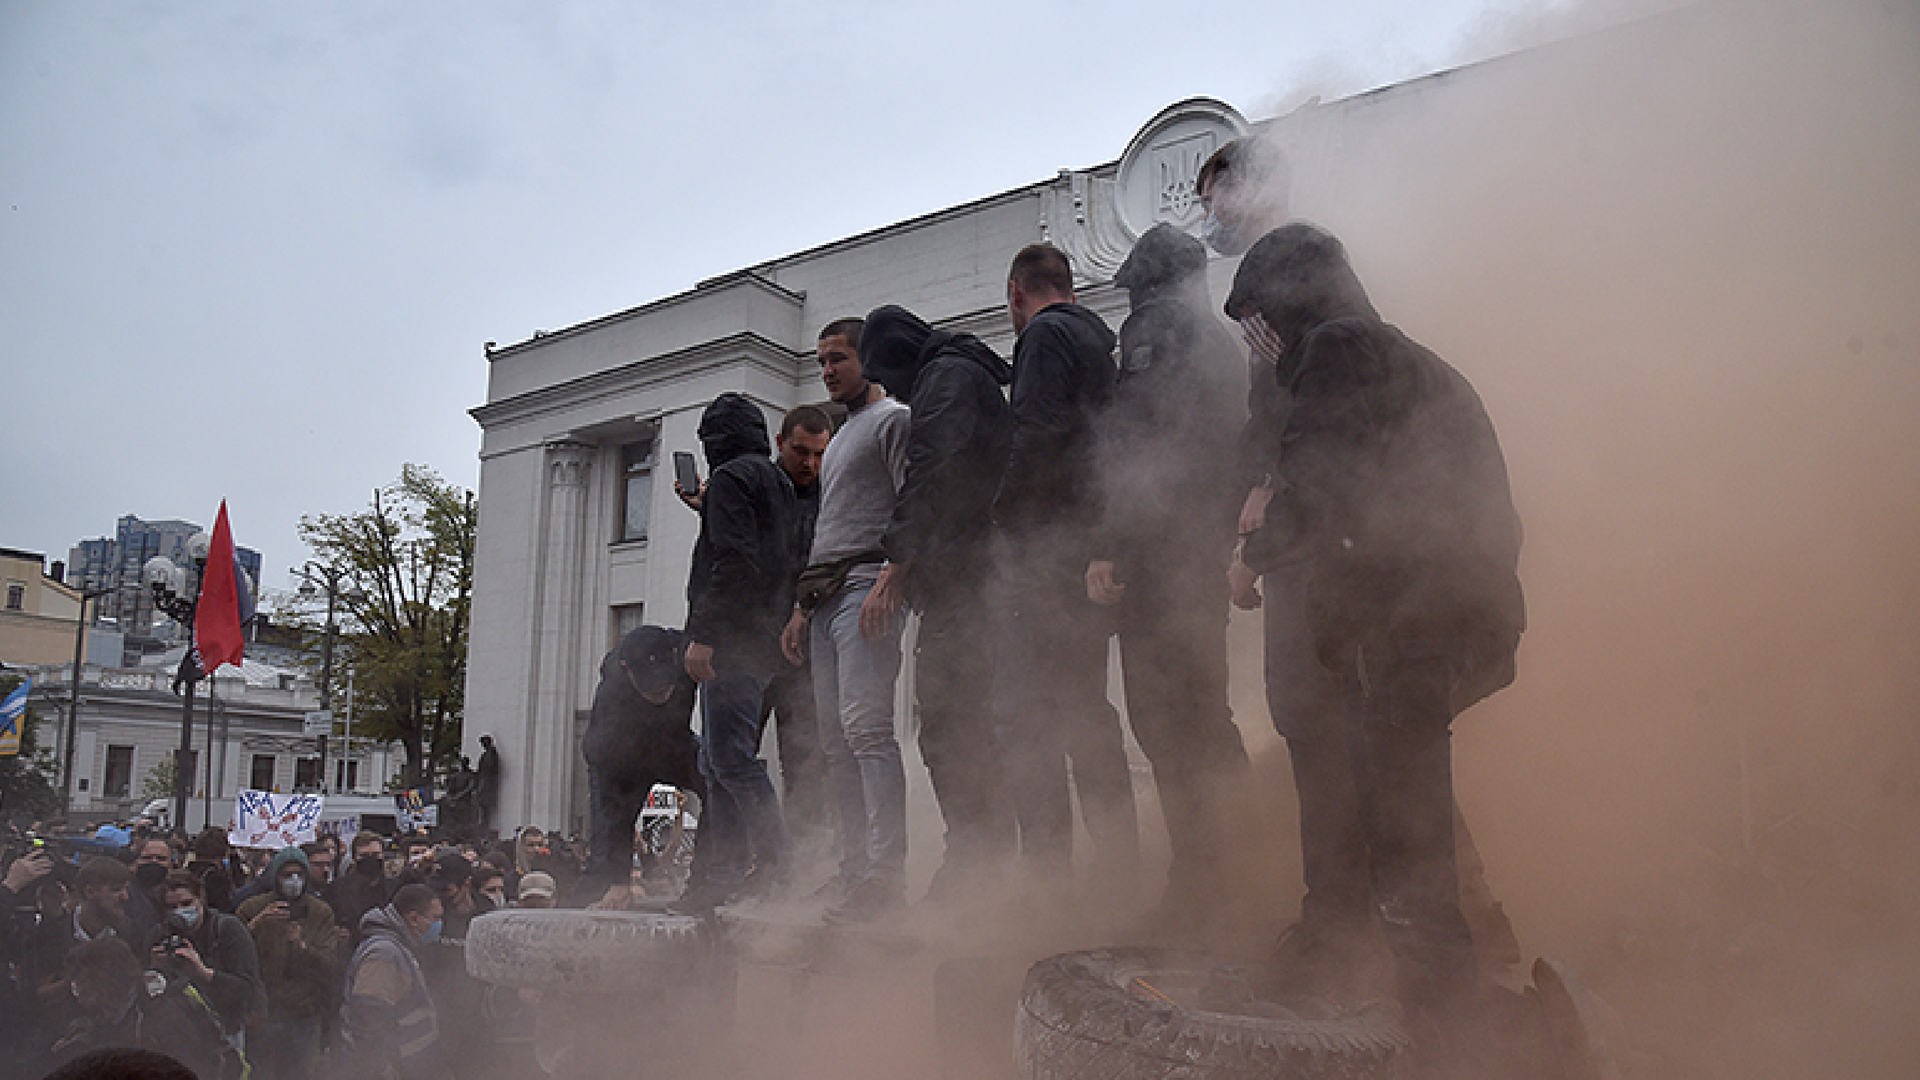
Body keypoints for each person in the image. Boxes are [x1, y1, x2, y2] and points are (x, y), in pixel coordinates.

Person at [1198, 137, 1523, 973]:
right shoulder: (1375, 339)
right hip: (1411, 593)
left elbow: (1318, 466)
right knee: (1381, 753)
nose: (1257, 341)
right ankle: (1442, 946)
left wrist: (1256, 545)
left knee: (1368, 755)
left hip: (1377, 587)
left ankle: (1416, 972)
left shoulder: (1333, 342)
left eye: (1214, 198)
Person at [1086, 223, 1253, 924]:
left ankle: (1201, 881)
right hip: (1202, 551)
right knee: (1205, 712)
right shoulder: (1223, 342)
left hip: (1158, 553)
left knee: (1162, 718)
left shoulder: (1154, 328)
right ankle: (1244, 862)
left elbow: (1136, 440)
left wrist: (1108, 543)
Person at [990, 243, 1138, 880]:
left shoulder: (1044, 336)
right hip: (1083, 550)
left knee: (1028, 715)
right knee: (1083, 709)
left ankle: (1048, 875)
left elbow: (1037, 435)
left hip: (1047, 552)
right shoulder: (1096, 342)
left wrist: (1003, 518)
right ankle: (1119, 865)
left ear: (1015, 293)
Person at [857, 304, 1014, 900]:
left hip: (966, 578)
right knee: (958, 722)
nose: (892, 391)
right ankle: (980, 856)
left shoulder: (945, 378)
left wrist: (896, 562)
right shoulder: (954, 372)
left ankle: (977, 860)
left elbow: (934, 471)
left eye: (886, 375)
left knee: (950, 724)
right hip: (972, 574)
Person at [781, 317, 913, 922]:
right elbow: (831, 526)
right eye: (821, 361)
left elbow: (913, 502)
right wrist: (801, 607)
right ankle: (854, 870)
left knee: (867, 730)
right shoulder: (838, 438)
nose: (828, 370)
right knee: (835, 743)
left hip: (866, 586)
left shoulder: (893, 420)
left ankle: (884, 877)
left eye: (838, 357)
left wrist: (894, 577)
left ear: (868, 358)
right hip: (826, 597)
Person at [678, 393, 801, 909]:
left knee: (727, 758)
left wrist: (705, 634)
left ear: (713, 441)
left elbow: (732, 560)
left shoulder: (730, 479)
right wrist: (710, 508)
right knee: (718, 760)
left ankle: (771, 864)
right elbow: (771, 552)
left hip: (733, 637)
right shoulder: (776, 479)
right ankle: (727, 875)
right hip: (765, 636)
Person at [581, 625, 705, 909]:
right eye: (650, 684)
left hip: (675, 746)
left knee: (717, 781)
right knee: (605, 842)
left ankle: (709, 877)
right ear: (627, 671)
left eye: (665, 681)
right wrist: (619, 881)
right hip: (626, 759)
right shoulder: (609, 704)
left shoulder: (687, 650)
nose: (661, 690)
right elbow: (615, 807)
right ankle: (601, 891)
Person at [41, 937, 244, 1080]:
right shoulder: (103, 1014)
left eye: (81, 980)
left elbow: (190, 1068)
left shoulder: (162, 1014)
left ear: (103, 980)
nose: (76, 988)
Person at [235, 848, 339, 1080]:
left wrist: (301, 946)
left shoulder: (320, 912)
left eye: (299, 875)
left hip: (303, 1013)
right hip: (262, 1012)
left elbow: (329, 963)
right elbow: (235, 954)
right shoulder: (251, 907)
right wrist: (256, 925)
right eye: (287, 875)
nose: (293, 881)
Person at [148, 869, 265, 1044]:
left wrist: (205, 973)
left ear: (200, 899)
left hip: (225, 1027)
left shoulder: (227, 929)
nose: (179, 911)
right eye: (172, 907)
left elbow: (248, 988)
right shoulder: (158, 934)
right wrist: (154, 969)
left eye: (186, 903)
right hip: (179, 1031)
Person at [341, 884, 444, 1080]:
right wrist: (381, 1068)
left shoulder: (400, 946)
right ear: (413, 919)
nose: (439, 925)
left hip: (408, 1064)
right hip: (390, 1068)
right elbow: (368, 1017)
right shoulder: (383, 953)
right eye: (435, 918)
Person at [333, 832, 394, 949]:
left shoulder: (394, 887)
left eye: (375, 854)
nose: (370, 860)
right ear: (354, 858)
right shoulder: (337, 889)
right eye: (364, 856)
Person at [475, 735, 502, 833]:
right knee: (482, 806)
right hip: (484, 783)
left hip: (486, 784)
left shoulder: (491, 754)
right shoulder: (487, 754)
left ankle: (484, 825)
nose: (483, 745)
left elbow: (489, 770)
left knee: (484, 806)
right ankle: (482, 824)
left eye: (484, 743)